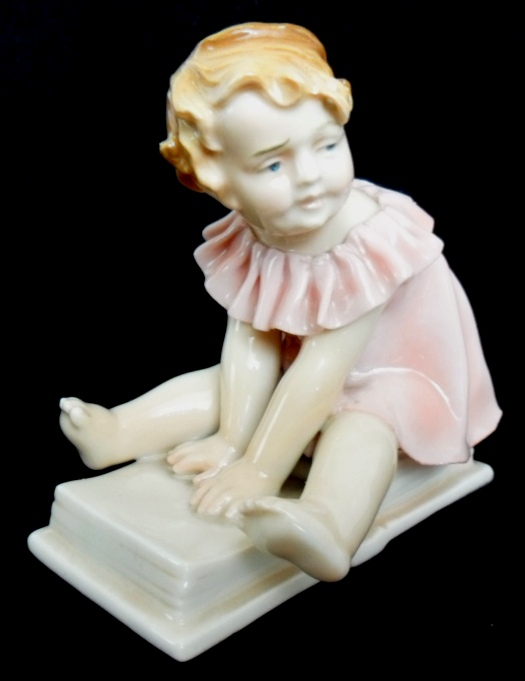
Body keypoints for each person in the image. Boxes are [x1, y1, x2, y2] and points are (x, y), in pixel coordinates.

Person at [60, 23, 501, 581]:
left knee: (360, 428)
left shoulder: (367, 241)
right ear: (216, 181)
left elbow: (324, 371)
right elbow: (250, 344)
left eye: (328, 145)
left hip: (386, 379)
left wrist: (259, 468)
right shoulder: (255, 232)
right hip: (303, 374)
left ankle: (328, 523)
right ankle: (121, 432)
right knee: (222, 382)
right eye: (273, 164)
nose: (311, 177)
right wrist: (230, 440)